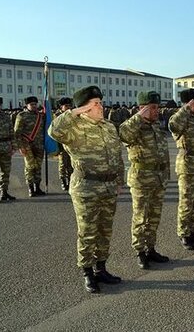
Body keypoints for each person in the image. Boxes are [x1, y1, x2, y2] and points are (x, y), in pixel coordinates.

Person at [48, 86, 124, 294]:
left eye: (100, 102)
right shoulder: (74, 128)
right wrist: (74, 112)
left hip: (108, 186)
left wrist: (119, 181)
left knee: (104, 230)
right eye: (95, 103)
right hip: (86, 188)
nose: (101, 106)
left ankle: (101, 268)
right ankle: (87, 273)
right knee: (88, 232)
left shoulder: (108, 126)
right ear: (85, 108)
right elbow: (53, 131)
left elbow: (116, 155)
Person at [119, 91, 170, 269]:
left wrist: (166, 176)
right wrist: (139, 117)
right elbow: (124, 135)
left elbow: (163, 153)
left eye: (157, 107)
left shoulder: (156, 125)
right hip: (141, 180)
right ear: (142, 108)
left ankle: (151, 248)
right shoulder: (132, 125)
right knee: (140, 217)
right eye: (153, 108)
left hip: (158, 179)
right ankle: (140, 252)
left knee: (154, 217)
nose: (157, 111)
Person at [168, 88, 194, 250]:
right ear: (190, 103)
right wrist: (185, 109)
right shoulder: (179, 118)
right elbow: (173, 126)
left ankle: (192, 231)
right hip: (187, 166)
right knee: (186, 202)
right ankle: (184, 233)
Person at [14, 96, 45, 197]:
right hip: (27, 145)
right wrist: (20, 146)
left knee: (38, 166)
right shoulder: (22, 116)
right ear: (27, 105)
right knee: (30, 166)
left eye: (35, 104)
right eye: (31, 104)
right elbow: (17, 133)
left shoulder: (40, 116)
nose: (34, 106)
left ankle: (38, 187)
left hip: (39, 144)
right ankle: (31, 188)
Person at [55, 97, 74, 191]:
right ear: (61, 107)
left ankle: (70, 180)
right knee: (63, 164)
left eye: (70, 105)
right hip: (61, 144)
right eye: (66, 106)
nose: (68, 107)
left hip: (72, 144)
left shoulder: (73, 115)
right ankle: (63, 181)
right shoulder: (57, 116)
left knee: (71, 163)